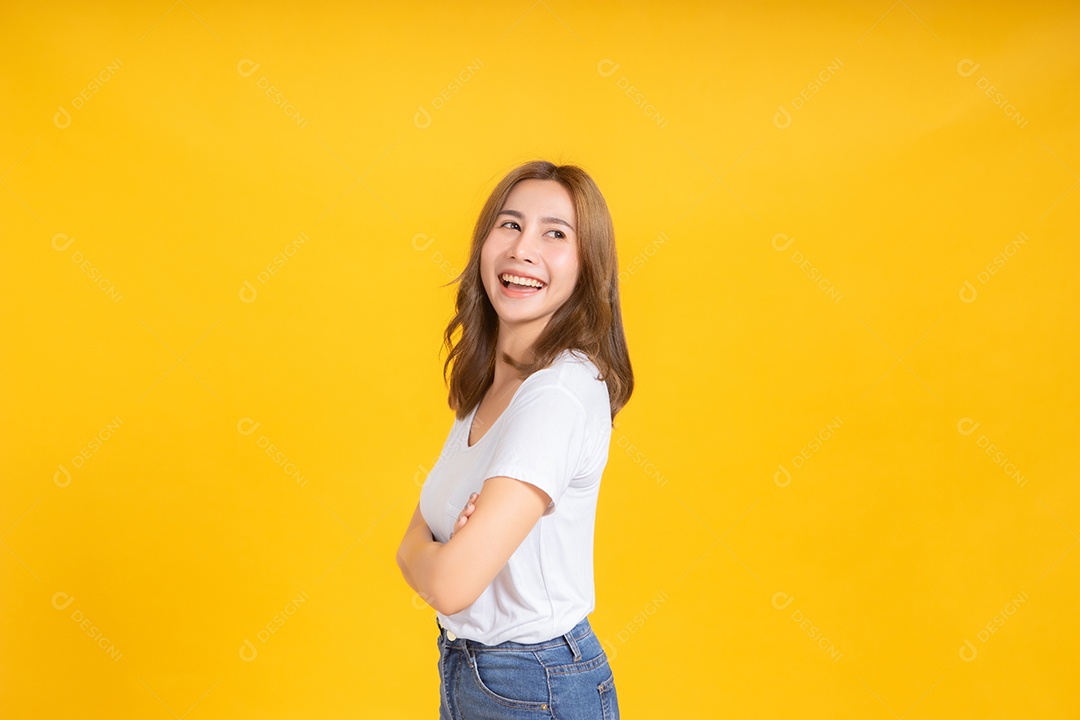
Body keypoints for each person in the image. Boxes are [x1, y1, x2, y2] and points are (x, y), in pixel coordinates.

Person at [396, 159, 633, 719]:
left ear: (587, 265)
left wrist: (436, 557)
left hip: (535, 683)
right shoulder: (490, 382)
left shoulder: (558, 392)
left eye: (555, 234)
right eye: (509, 225)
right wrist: (438, 554)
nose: (523, 250)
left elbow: (448, 584)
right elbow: (415, 543)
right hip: (473, 668)